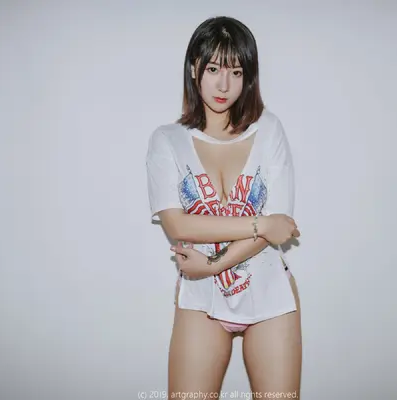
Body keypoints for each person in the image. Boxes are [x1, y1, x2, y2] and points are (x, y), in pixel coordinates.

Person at [145, 16, 302, 399]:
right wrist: (260, 223)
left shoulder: (269, 129)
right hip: (200, 297)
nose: (224, 84)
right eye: (213, 69)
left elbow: (279, 228)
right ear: (193, 67)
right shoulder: (167, 140)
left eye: (236, 71)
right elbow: (178, 225)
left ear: (248, 76)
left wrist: (213, 265)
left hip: (269, 291)